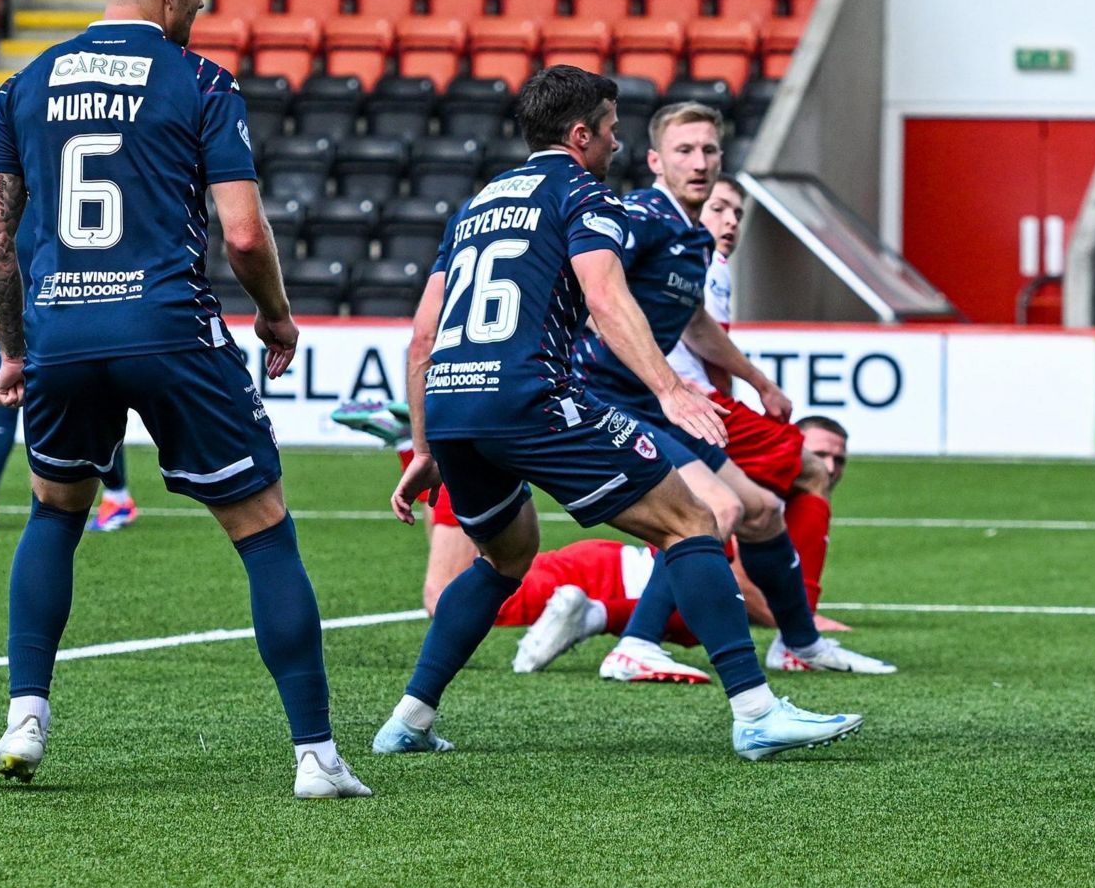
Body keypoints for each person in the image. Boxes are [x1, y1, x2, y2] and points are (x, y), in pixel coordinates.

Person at [0, 0, 368, 798]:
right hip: (167, 326)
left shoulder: (22, 85)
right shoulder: (200, 81)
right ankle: (316, 756)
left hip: (62, 330)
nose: (201, 7)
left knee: (53, 515)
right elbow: (240, 231)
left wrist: (16, 347)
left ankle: (25, 718)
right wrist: (274, 315)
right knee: (265, 534)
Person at [375, 66, 862, 761]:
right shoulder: (583, 192)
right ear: (581, 134)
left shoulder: (477, 203)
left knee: (504, 556)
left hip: (454, 400)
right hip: (530, 395)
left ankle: (409, 719)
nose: (615, 142)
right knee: (691, 519)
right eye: (609, 128)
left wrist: (424, 445)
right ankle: (755, 713)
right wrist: (669, 388)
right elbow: (606, 296)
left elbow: (423, 334)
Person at [575, 103, 892, 683]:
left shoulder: (695, 238)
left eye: (709, 151)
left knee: (763, 511)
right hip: (605, 401)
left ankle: (799, 643)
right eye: (684, 151)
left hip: (654, 402)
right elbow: (591, 288)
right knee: (714, 509)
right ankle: (635, 645)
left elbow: (693, 322)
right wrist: (644, 369)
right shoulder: (641, 215)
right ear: (655, 161)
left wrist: (759, 381)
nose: (699, 163)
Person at [509, 412, 857, 675]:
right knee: (466, 590)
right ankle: (620, 630)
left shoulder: (776, 506)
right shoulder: (753, 494)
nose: (828, 468)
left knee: (706, 617)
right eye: (817, 455)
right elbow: (741, 585)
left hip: (617, 579)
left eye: (838, 459)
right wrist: (795, 617)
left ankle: (598, 616)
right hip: (605, 572)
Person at [0, 390, 139, 532]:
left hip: (57, 330)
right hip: (15, 329)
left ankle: (118, 498)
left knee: (87, 392)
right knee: (3, 388)